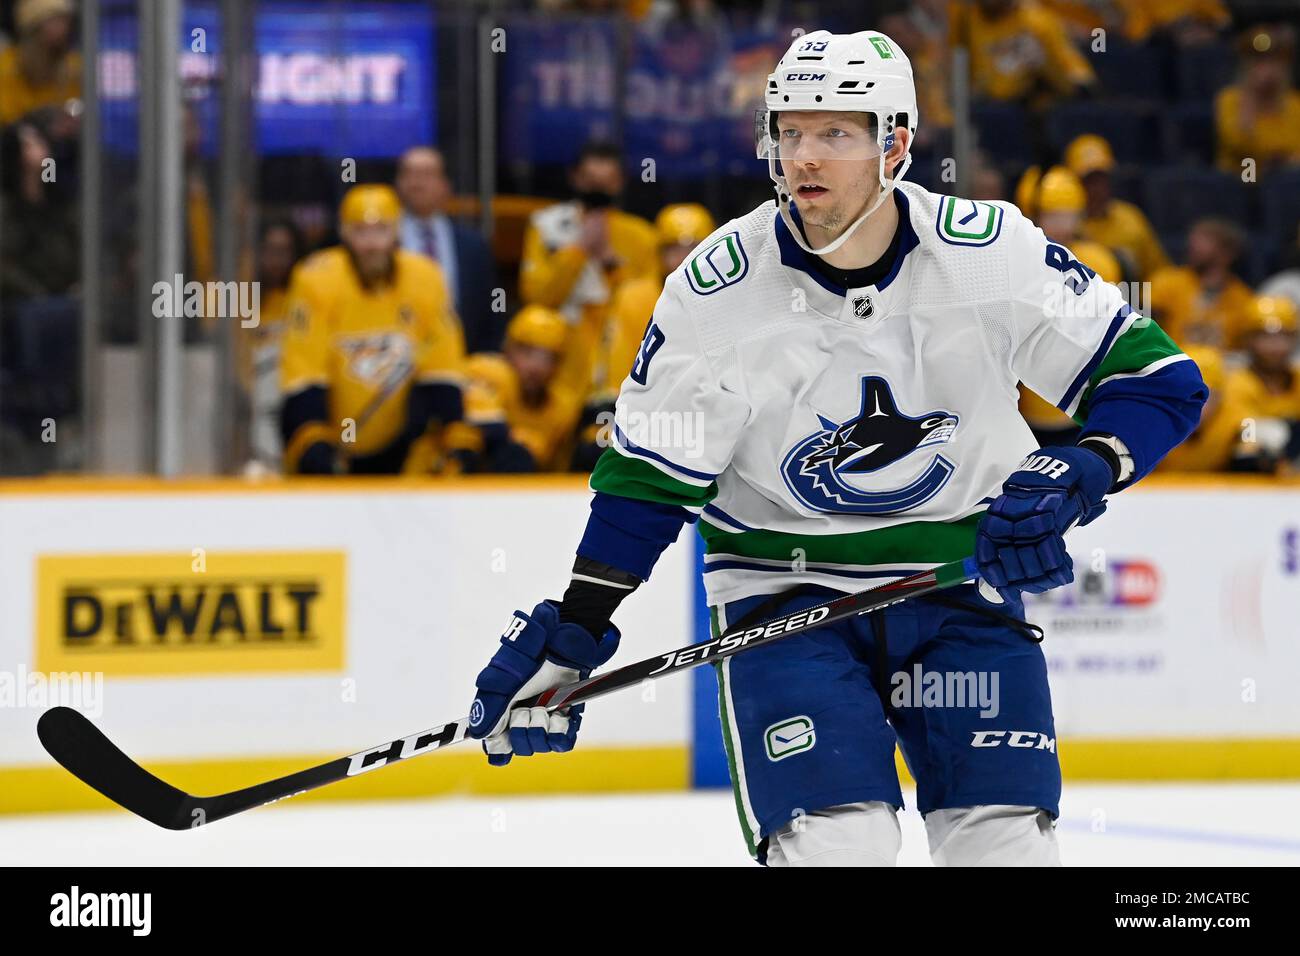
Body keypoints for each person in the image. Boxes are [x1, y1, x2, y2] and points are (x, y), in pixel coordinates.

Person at [464, 30, 1206, 867]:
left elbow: (1161, 384)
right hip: (785, 600)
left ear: (895, 144)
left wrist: (1079, 471)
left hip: (959, 592)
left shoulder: (986, 251)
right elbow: (646, 480)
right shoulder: (717, 289)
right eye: (790, 131)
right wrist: (578, 625)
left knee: (1005, 850)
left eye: (835, 133)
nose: (804, 156)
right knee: (838, 849)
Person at [279, 185, 464, 475]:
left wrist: (453, 433)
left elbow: (442, 369)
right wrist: (313, 439)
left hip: (406, 443)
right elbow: (304, 372)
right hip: (336, 443)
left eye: (381, 230)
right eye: (360, 231)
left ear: (398, 232)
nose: (372, 244)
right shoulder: (316, 279)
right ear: (344, 233)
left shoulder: (425, 277)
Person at [572, 202, 718, 471]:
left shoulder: (727, 296)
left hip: (710, 412)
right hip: (640, 410)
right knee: (594, 446)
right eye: (673, 249)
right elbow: (615, 369)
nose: (682, 258)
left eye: (692, 247)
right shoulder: (633, 296)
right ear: (658, 253)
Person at [519, 141, 658, 398]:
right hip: (560, 361)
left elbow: (646, 306)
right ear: (575, 178)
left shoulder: (641, 236)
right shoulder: (547, 226)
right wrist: (578, 250)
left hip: (620, 357)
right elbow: (537, 297)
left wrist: (610, 262)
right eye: (591, 180)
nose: (598, 189)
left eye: (607, 181)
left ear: (619, 183)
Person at [445, 306, 583, 474]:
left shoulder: (563, 407)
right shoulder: (489, 374)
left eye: (548, 357)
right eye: (527, 352)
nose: (536, 367)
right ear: (507, 349)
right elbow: (487, 435)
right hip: (447, 480)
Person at [395, 146, 502, 354]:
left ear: (445, 186)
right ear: (398, 184)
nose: (417, 183)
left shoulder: (474, 246)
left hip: (464, 363)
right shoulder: (381, 245)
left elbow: (492, 312)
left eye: (427, 175)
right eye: (409, 174)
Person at [1063, 134, 1168, 281]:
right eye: (1088, 181)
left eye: (1101, 179)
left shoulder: (1131, 218)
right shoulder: (1063, 224)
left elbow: (1158, 273)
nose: (1096, 189)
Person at [1219, 296, 1300, 473]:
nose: (1275, 347)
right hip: (1252, 479)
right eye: (1265, 337)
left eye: (1283, 337)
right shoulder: (1237, 383)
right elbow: (1246, 434)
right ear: (1248, 340)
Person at [1148, 218, 1254, 349]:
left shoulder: (1243, 298)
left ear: (1227, 253)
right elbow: (1142, 328)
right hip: (1173, 362)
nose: (1194, 245)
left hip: (1219, 366)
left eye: (1204, 241)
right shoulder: (1166, 281)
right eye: (1194, 240)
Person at [1215, 25, 1300, 177]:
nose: (1267, 69)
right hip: (1241, 183)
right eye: (1258, 62)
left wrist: (1270, 154)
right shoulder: (1229, 99)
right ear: (1246, 67)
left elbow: (1295, 147)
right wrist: (1251, 96)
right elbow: (1238, 145)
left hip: (1284, 185)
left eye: (1273, 61)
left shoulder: (1294, 102)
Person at [0, 0, 80, 126]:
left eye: (66, 20)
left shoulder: (74, 65)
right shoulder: (7, 66)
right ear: (34, 27)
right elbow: (7, 121)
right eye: (55, 20)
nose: (65, 27)